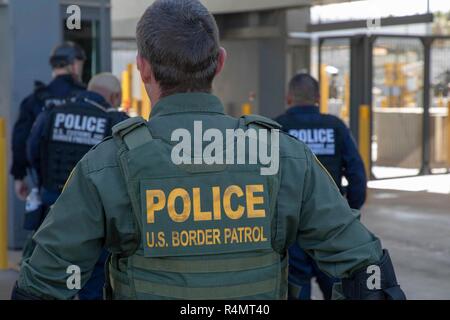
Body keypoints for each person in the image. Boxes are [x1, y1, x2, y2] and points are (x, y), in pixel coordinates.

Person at [12, 0, 405, 300]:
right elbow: (365, 270)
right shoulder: (286, 158)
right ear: (219, 63)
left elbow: (44, 280)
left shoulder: (106, 166)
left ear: (143, 69)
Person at [25, 73, 128, 300]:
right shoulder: (115, 121)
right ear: (115, 96)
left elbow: (32, 152)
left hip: (52, 211)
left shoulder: (51, 113)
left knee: (48, 278)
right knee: (93, 283)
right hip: (96, 217)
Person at [275, 73, 368, 300]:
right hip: (329, 227)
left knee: (296, 289)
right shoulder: (335, 127)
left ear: (288, 98)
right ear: (318, 97)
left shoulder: (276, 128)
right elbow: (357, 175)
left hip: (291, 228)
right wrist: (347, 211)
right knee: (337, 289)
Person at [11, 41, 86, 201]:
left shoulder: (34, 101)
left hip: (47, 191)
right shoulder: (86, 99)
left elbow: (20, 141)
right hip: (84, 193)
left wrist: (19, 176)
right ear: (72, 64)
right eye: (79, 65)